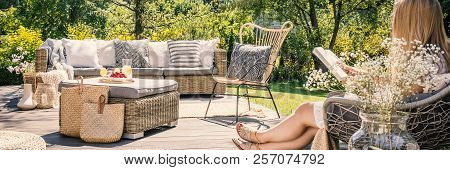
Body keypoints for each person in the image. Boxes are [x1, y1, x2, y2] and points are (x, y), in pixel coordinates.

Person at [232, 0, 449, 150]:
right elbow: (405, 89)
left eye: (397, 18)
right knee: (310, 128)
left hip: (387, 123)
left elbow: (399, 99)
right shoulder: (436, 55)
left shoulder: (425, 61)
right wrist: (361, 74)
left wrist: (356, 84)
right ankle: (258, 148)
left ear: (409, 23)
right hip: (405, 121)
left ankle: (260, 137)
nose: (393, 22)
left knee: (304, 110)